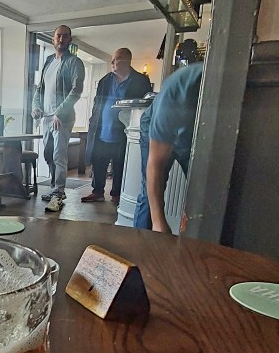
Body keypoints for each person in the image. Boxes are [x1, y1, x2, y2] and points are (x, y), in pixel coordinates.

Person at [133, 59, 203, 234]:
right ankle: (140, 244)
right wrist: (158, 224)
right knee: (149, 193)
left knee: (200, 191)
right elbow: (155, 165)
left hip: (192, 139)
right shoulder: (180, 86)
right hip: (154, 128)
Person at [82, 48, 151, 204]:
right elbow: (97, 104)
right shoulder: (105, 80)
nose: (112, 62)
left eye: (116, 59)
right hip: (102, 130)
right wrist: (93, 121)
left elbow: (146, 107)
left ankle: (117, 194)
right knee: (99, 162)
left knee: (121, 164)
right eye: (112, 59)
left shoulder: (141, 81)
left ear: (127, 61)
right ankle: (97, 191)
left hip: (124, 132)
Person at [31, 25, 85, 214]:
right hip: (46, 118)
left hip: (62, 118)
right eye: (58, 36)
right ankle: (55, 187)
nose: (61, 39)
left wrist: (59, 113)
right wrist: (36, 106)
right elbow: (39, 89)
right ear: (53, 39)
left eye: (65, 36)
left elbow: (77, 90)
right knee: (48, 154)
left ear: (70, 40)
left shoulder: (74, 62)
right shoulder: (48, 61)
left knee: (58, 155)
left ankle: (58, 194)